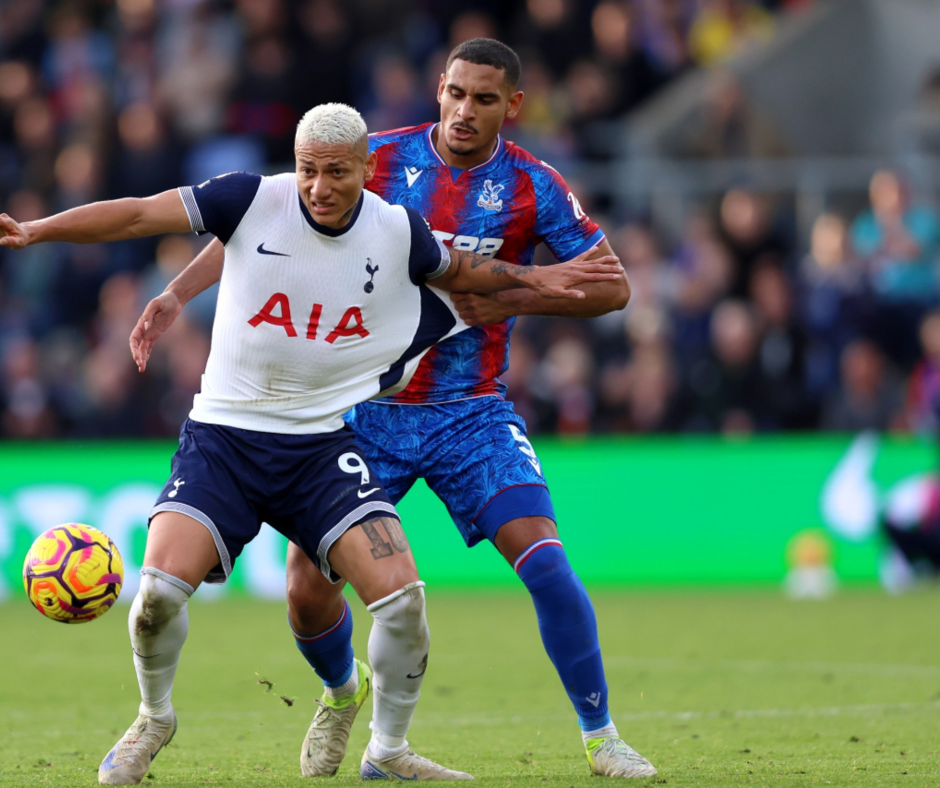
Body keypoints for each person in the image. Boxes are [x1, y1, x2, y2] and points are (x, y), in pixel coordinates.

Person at [0, 102, 622, 784]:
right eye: (308, 170)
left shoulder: (398, 232)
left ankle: (388, 751)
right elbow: (136, 214)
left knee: (403, 601)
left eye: (336, 172)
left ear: (368, 171)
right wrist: (38, 231)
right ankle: (154, 717)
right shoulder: (250, 198)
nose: (318, 186)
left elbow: (472, 278)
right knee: (158, 594)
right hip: (223, 440)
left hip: (319, 448)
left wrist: (550, 282)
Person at [133, 40, 656, 779]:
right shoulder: (371, 158)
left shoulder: (535, 187)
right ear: (438, 91)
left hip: (469, 409)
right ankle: (340, 696)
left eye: (483, 98)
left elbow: (611, 287)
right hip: (362, 408)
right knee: (306, 595)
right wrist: (179, 295)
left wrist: (509, 293)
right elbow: (257, 224)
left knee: (544, 558)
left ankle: (603, 739)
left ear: (514, 106)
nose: (464, 110)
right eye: (454, 93)